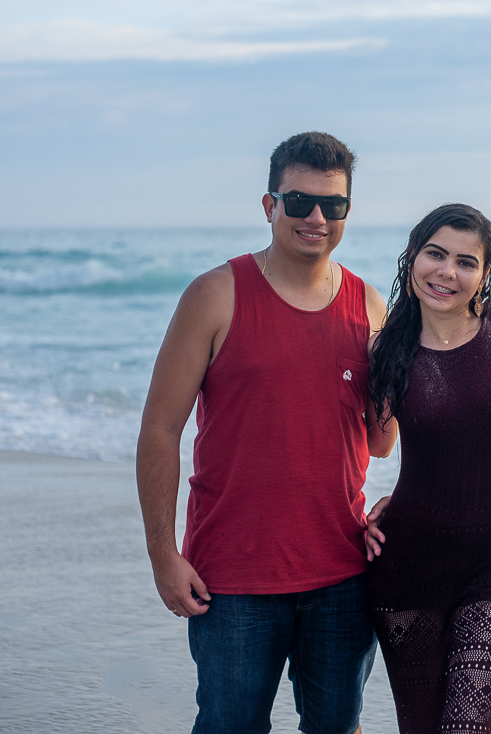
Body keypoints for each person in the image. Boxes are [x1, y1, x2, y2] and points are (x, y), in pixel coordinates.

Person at [135, 131, 392, 734]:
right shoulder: (214, 295)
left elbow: (382, 441)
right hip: (232, 580)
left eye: (333, 204)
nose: (316, 218)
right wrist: (163, 556)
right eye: (299, 201)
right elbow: (159, 429)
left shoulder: (369, 306)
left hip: (342, 575)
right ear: (269, 205)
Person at [361, 204, 491, 734]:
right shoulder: (385, 348)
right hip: (407, 566)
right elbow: (376, 447)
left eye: (466, 262)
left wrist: (485, 477)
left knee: (466, 725)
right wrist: (364, 511)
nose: (447, 272)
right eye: (436, 254)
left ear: (486, 273)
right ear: (413, 258)